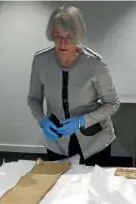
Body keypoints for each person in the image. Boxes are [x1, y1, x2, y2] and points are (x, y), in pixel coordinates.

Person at [27, 5, 120, 166]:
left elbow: (112, 103)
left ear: (77, 35)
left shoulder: (95, 64)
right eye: (57, 36)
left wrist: (82, 121)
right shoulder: (41, 61)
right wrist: (42, 120)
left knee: (92, 188)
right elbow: (33, 98)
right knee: (59, 187)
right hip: (58, 142)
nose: (62, 43)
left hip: (94, 143)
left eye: (68, 37)